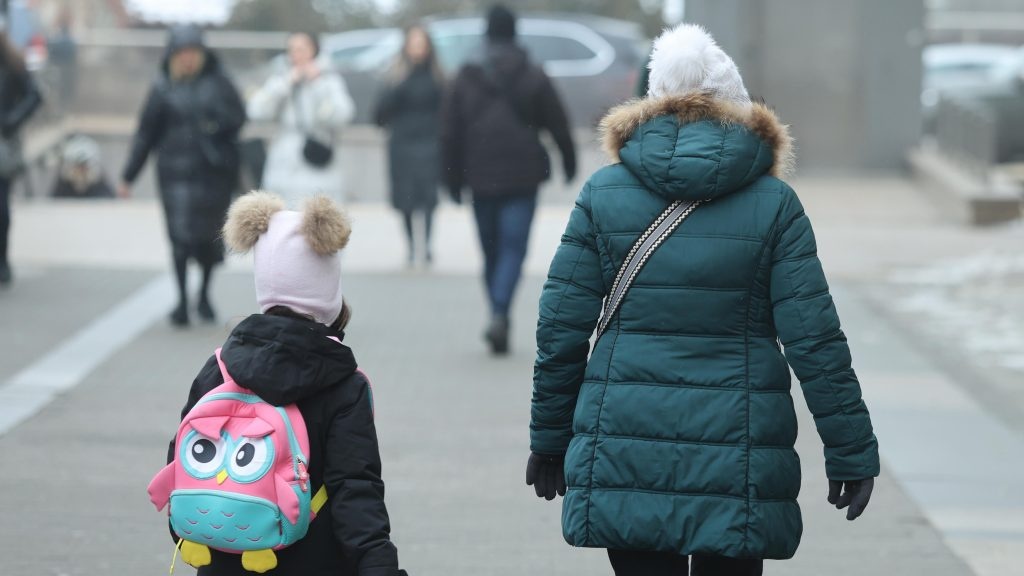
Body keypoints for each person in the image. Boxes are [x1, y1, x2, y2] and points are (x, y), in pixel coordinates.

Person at [527, 24, 879, 576]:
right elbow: (814, 337)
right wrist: (850, 446)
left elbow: (561, 328)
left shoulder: (603, 194)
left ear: (652, 101)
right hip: (738, 450)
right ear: (736, 105)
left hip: (627, 443)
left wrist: (549, 438)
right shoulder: (775, 204)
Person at [168, 191, 407, 576]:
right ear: (329, 292)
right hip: (314, 560)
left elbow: (181, 461)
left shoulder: (219, 368)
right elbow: (355, 488)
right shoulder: (343, 384)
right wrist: (378, 565)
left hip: (223, 558)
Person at [441, 4, 576, 354]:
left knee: (491, 251)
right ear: (515, 33)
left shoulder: (466, 75)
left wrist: (451, 180)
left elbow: (449, 133)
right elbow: (557, 121)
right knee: (513, 248)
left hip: (479, 175)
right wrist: (569, 160)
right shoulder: (533, 73)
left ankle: (497, 312)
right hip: (523, 176)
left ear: (486, 32)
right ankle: (500, 311)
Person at [119, 24, 246, 326]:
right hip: (174, 174)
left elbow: (239, 117)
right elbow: (145, 134)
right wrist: (128, 176)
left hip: (212, 174)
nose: (188, 59)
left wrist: (214, 124)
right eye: (182, 52)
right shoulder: (163, 86)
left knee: (208, 241)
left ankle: (203, 295)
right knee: (179, 239)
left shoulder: (219, 83)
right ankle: (180, 301)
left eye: (193, 52)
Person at [247, 32, 355, 208]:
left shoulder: (329, 80)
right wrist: (284, 85)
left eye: (301, 49)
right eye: (292, 50)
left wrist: (317, 84)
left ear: (314, 50)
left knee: (316, 222)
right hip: (283, 163)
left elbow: (343, 115)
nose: (296, 55)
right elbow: (257, 110)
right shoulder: (281, 79)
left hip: (317, 160)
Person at [374, 25, 444, 266]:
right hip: (402, 145)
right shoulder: (395, 76)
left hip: (430, 143)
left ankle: (427, 246)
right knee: (405, 198)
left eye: (421, 43)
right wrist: (396, 88)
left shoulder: (438, 77)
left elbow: (447, 110)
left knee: (428, 198)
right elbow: (379, 115)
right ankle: (411, 246)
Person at [0, 30, 42, 286]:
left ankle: (2, 260)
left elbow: (35, 96)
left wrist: (11, 121)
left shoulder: (11, 62)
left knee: (1, 207)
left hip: (3, 145)